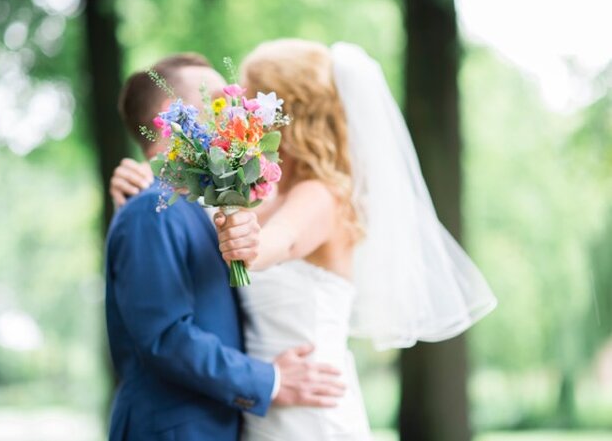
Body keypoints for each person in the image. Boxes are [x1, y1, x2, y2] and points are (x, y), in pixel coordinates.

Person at [111, 41, 497, 440]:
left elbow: (274, 244)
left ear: (285, 111)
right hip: (264, 403)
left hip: (309, 407)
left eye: (246, 96)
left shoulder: (322, 195)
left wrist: (248, 244)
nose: (233, 108)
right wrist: (149, 178)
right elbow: (192, 223)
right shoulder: (261, 194)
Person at [105, 52, 346, 441]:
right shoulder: (149, 209)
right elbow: (165, 336)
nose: (235, 111)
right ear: (174, 115)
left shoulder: (196, 206)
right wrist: (269, 381)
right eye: (218, 100)